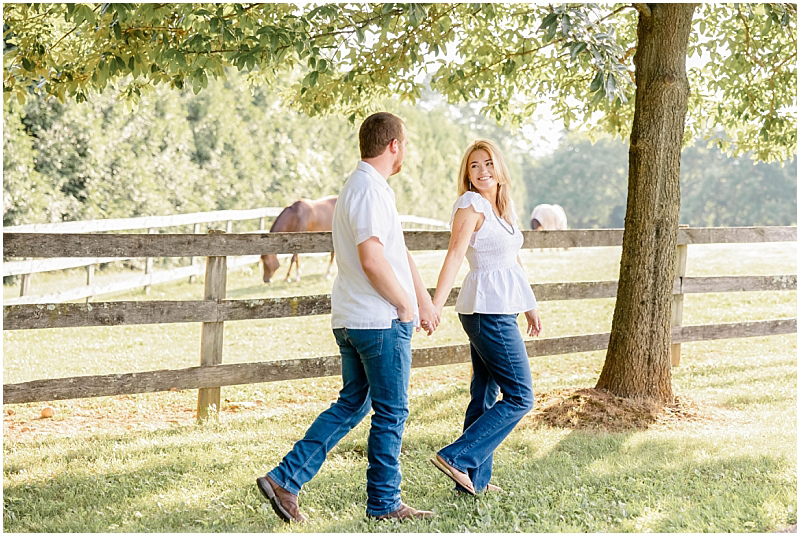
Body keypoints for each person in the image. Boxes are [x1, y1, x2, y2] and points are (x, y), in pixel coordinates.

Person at [256, 112, 439, 523]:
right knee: (391, 412)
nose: (405, 150)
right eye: (404, 144)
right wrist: (405, 306)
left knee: (352, 404)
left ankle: (285, 479)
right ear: (393, 145)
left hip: (353, 318)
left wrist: (423, 300)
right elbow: (373, 261)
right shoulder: (370, 192)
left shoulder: (361, 188)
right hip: (378, 321)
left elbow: (395, 251)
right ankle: (385, 504)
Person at [428, 139, 542, 495]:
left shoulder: (502, 209)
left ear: (499, 168)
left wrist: (530, 305)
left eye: (488, 163)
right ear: (467, 173)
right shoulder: (471, 205)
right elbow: (454, 255)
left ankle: (474, 481)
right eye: (474, 166)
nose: (482, 171)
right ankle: (456, 457)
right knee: (521, 396)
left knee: (484, 394)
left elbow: (512, 262)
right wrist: (435, 305)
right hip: (486, 311)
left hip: (501, 306)